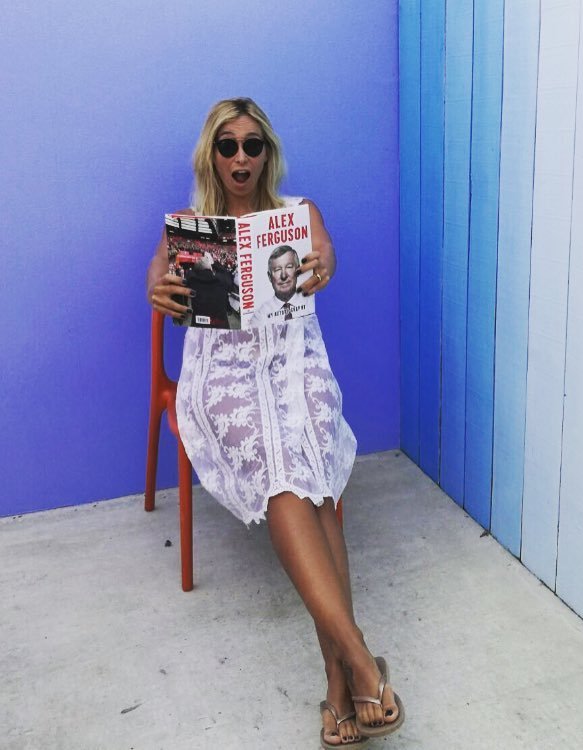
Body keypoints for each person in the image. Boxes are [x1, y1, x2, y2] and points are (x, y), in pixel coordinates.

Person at [146, 98, 404, 747]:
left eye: (252, 145)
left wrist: (324, 264)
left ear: (267, 154)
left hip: (294, 362)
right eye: (227, 146)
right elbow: (156, 276)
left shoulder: (298, 213)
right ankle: (360, 660)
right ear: (211, 156)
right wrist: (159, 288)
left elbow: (325, 253)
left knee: (306, 460)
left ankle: (341, 681)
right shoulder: (192, 229)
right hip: (224, 374)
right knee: (282, 464)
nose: (241, 157)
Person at [257, 244, 307, 322]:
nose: (283, 275)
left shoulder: (312, 303)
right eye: (277, 269)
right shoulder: (259, 316)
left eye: (289, 267)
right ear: (269, 277)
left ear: (298, 270)